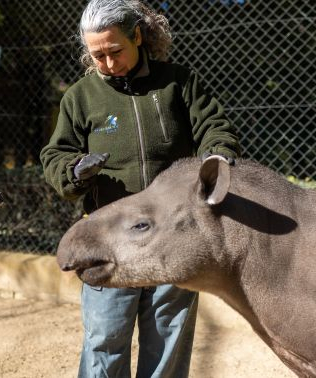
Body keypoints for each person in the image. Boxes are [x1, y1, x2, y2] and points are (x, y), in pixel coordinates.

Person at [40, 0, 241, 376]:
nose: (107, 63)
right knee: (105, 337)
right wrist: (74, 169)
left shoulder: (178, 82)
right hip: (107, 238)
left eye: (115, 51)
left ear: (137, 36)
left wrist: (217, 157)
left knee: (168, 336)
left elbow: (215, 128)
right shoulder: (80, 97)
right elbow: (55, 155)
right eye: (96, 55)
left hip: (173, 233)